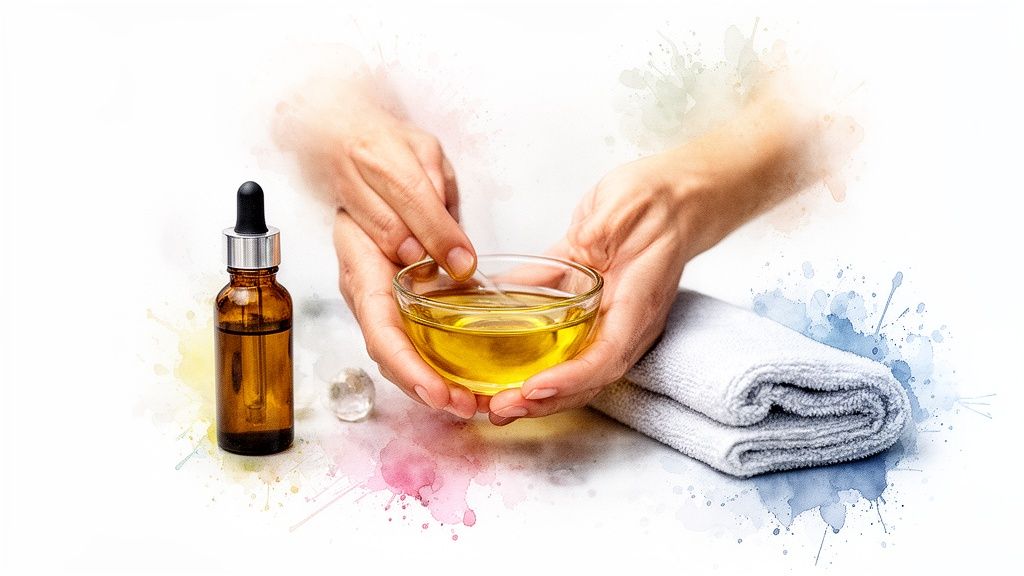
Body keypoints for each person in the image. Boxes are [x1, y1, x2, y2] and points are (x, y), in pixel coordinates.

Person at [274, 54, 845, 426]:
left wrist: (688, 193)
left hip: (709, 259)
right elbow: (300, 45)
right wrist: (347, 135)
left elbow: (841, 84)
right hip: (409, 285)